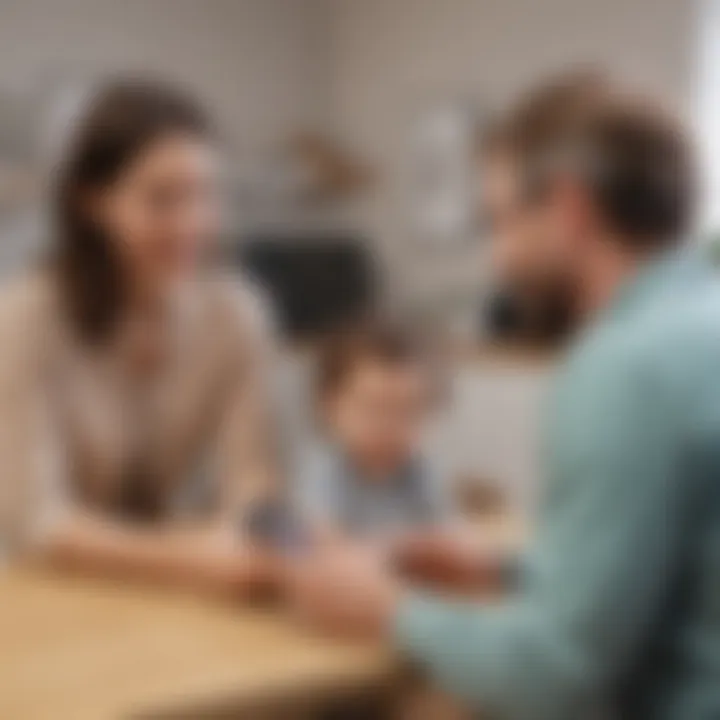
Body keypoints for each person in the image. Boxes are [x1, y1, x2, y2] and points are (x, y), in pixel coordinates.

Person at [289, 73, 720, 720]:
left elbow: (558, 677)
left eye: (502, 222)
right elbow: (673, 588)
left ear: (571, 210)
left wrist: (387, 608)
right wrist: (505, 571)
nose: (498, 262)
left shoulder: (626, 369)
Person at [0, 79, 280, 597]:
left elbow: (251, 477)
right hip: (43, 591)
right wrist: (197, 554)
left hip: (168, 587)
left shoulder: (234, 315)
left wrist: (255, 533)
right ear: (93, 202)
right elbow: (40, 524)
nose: (192, 222)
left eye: (204, 194)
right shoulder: (25, 318)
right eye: (162, 200)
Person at [294, 323, 454, 540]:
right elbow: (322, 536)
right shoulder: (328, 467)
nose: (389, 425)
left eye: (407, 412)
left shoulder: (417, 469)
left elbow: (442, 531)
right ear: (329, 408)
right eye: (374, 408)